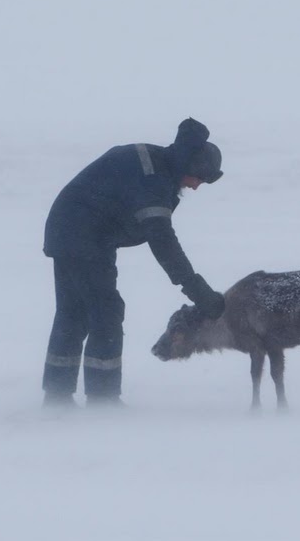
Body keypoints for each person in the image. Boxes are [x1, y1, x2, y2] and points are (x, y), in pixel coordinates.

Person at [40, 118, 227, 408]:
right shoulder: (154, 178)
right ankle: (103, 400)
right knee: (106, 312)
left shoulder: (156, 164)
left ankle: (57, 394)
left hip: (74, 233)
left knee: (73, 312)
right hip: (84, 237)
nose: (197, 187)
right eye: (201, 179)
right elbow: (163, 242)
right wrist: (197, 290)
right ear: (192, 167)